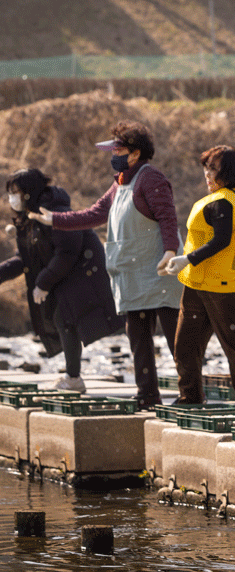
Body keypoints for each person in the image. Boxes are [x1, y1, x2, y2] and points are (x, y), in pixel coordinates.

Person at [29, 122, 184, 410]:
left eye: (118, 150)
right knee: (138, 338)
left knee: (176, 338)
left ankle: (190, 394)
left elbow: (167, 217)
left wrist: (170, 251)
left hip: (161, 270)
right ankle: (147, 396)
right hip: (133, 275)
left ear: (135, 153)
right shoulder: (120, 183)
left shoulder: (151, 179)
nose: (113, 155)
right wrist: (55, 220)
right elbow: (95, 213)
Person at [0, 169, 123, 391]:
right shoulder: (29, 218)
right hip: (66, 276)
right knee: (63, 321)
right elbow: (24, 259)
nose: (12, 198)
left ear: (29, 192)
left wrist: (43, 282)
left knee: (64, 319)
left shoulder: (53, 211)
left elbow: (68, 251)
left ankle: (74, 378)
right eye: (10, 193)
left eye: (15, 192)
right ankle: (73, 377)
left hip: (84, 273)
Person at [162, 146, 235, 409]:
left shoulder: (223, 202)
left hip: (223, 285)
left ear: (227, 173)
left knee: (234, 345)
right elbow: (234, 164)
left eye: (213, 170)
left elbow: (222, 240)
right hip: (197, 282)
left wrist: (187, 259)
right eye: (206, 169)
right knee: (185, 344)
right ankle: (190, 398)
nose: (207, 175)